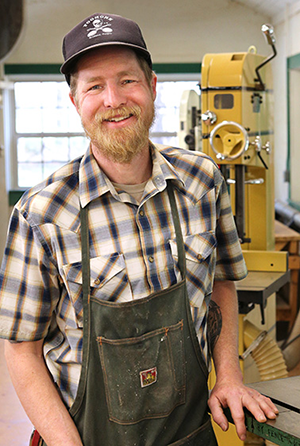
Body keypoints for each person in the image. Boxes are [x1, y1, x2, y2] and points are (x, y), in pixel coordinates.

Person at [0, 12, 278, 446]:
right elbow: (21, 350)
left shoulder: (203, 181)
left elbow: (220, 281)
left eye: (127, 80)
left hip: (193, 434)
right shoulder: (41, 213)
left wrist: (229, 375)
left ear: (151, 88)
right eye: (94, 86)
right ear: (76, 102)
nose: (113, 99)